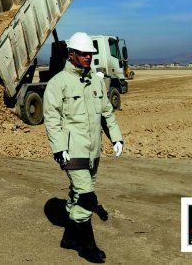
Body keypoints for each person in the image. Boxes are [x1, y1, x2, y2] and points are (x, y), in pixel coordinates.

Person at [42, 32, 123, 263]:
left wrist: (116, 138)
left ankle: (68, 237)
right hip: (71, 150)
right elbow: (52, 119)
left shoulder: (96, 81)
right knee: (87, 197)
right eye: (84, 54)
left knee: (78, 194)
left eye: (90, 53)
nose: (89, 57)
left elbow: (106, 112)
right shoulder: (59, 83)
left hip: (93, 151)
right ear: (72, 54)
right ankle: (87, 246)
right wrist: (59, 148)